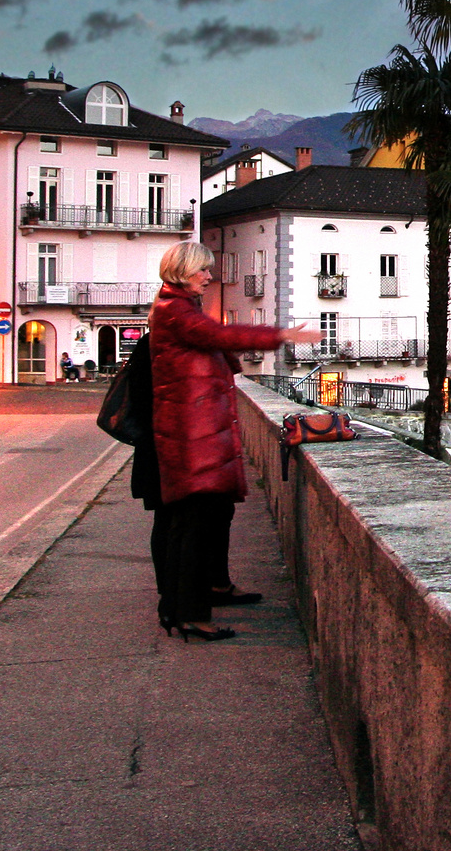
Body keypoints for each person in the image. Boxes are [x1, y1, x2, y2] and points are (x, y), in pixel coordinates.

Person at [149, 242, 320, 643]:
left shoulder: (174, 308)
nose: (210, 277)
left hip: (195, 434)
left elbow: (215, 342)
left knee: (197, 524)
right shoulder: (175, 311)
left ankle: (189, 603)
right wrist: (282, 334)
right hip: (192, 438)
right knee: (193, 527)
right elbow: (219, 334)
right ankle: (189, 614)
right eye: (203, 271)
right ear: (183, 272)